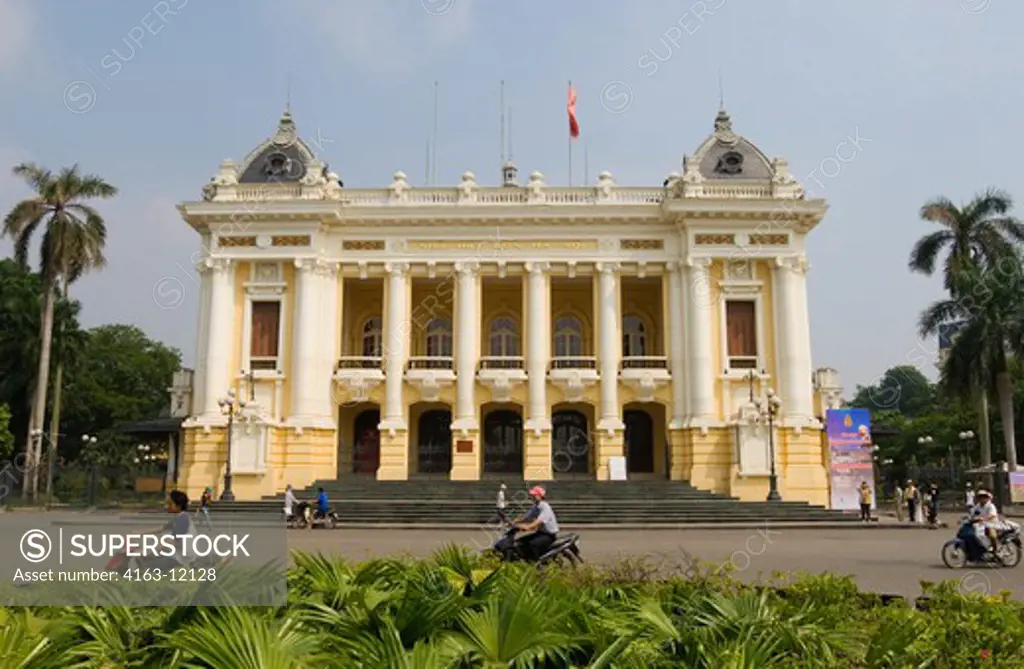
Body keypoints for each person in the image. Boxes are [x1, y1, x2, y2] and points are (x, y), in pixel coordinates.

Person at [513, 486, 560, 561]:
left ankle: (536, 566)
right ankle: (526, 560)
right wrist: (515, 521)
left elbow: (538, 521)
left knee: (533, 544)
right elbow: (527, 517)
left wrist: (528, 527)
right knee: (520, 541)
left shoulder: (545, 507)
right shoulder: (536, 506)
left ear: (540, 496)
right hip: (540, 533)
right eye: (532, 495)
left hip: (548, 535)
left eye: (534, 495)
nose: (532, 497)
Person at [973, 489, 1002, 553]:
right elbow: (973, 513)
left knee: (991, 533)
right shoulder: (978, 506)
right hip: (981, 524)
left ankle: (996, 548)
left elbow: (992, 515)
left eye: (983, 497)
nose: (982, 498)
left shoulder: (991, 506)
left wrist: (984, 518)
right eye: (980, 497)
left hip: (992, 524)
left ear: (987, 498)